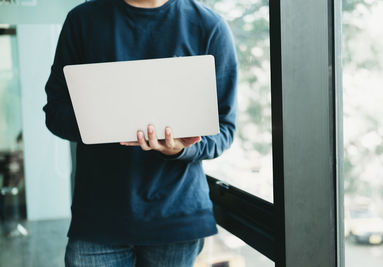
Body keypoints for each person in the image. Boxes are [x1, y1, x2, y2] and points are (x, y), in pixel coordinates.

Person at [43, 0, 237, 266]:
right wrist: (104, 121)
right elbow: (55, 113)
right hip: (98, 219)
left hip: (176, 218)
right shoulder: (83, 20)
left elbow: (224, 129)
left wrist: (181, 148)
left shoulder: (209, 26)